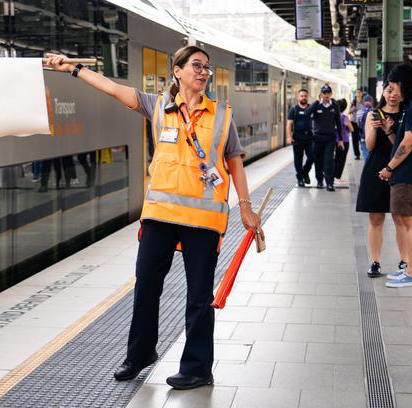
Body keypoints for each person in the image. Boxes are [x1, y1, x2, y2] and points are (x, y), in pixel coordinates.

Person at [45, 47, 262, 390]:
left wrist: (245, 205)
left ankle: (197, 368)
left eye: (207, 67)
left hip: (202, 221)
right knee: (146, 285)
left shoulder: (221, 114)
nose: (204, 72)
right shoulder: (158, 105)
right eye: (196, 66)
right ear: (177, 70)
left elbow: (233, 159)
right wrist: (72, 69)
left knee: (198, 296)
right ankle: (140, 354)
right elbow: (113, 88)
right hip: (160, 215)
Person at [378, 64, 412, 287]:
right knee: (407, 219)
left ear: (404, 83)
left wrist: (390, 166)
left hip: (409, 173)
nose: (392, 92)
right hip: (407, 172)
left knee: (411, 220)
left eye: (395, 87)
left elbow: (409, 140)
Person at [355, 86, 405, 278]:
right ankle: (375, 262)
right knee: (375, 218)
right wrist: (375, 129)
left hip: (399, 169)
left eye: (396, 91)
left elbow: (403, 147)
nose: (392, 94)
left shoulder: (407, 113)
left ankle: (404, 261)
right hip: (375, 168)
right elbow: (369, 145)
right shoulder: (373, 115)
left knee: (400, 218)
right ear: (383, 93)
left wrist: (388, 130)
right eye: (389, 90)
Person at [304, 84, 344, 191]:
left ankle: (330, 183)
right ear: (321, 94)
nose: (326, 95)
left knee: (329, 161)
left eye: (328, 93)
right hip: (317, 138)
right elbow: (307, 114)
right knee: (318, 161)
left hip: (330, 138)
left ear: (331, 94)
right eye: (324, 93)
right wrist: (316, 102)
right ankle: (319, 181)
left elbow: (338, 123)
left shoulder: (334, 106)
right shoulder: (317, 105)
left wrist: (340, 139)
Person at [286, 89, 314, 187]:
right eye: (301, 96)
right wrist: (289, 137)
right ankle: (300, 178)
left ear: (308, 97)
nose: (303, 97)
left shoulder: (311, 108)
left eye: (305, 96)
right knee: (298, 159)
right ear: (298, 97)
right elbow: (289, 124)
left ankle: (305, 172)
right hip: (297, 138)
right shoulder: (294, 109)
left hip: (310, 138)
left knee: (312, 156)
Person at [333, 98, 353, 184]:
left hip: (334, 140)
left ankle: (332, 176)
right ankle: (337, 177)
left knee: (335, 158)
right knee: (341, 159)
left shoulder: (332, 116)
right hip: (344, 140)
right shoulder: (344, 117)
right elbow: (351, 129)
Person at [358, 94, 374, 159]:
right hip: (374, 137)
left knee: (366, 155)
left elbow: (358, 124)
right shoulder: (376, 111)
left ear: (363, 102)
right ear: (372, 101)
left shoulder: (359, 112)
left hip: (364, 137)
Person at [349, 88, 364, 159]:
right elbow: (349, 111)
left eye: (359, 92)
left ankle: (363, 151)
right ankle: (357, 154)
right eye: (357, 92)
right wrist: (353, 109)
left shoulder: (364, 102)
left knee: (362, 138)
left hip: (362, 122)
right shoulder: (353, 102)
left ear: (361, 93)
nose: (357, 94)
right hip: (354, 122)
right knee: (354, 139)